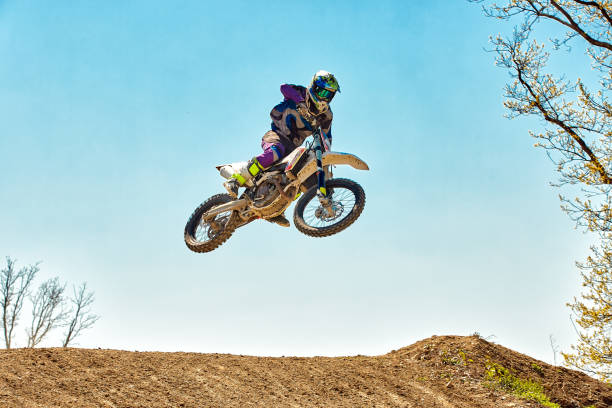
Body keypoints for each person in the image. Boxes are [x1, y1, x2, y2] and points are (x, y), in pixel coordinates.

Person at [220, 70, 340, 227]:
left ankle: (277, 209)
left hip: (293, 146)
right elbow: (284, 87)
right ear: (313, 87)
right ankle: (236, 178)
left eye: (329, 94)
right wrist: (300, 102)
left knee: (298, 177)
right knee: (276, 152)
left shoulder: (326, 115)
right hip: (276, 136)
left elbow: (326, 136)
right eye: (322, 91)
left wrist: (327, 154)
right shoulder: (300, 92)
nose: (324, 97)